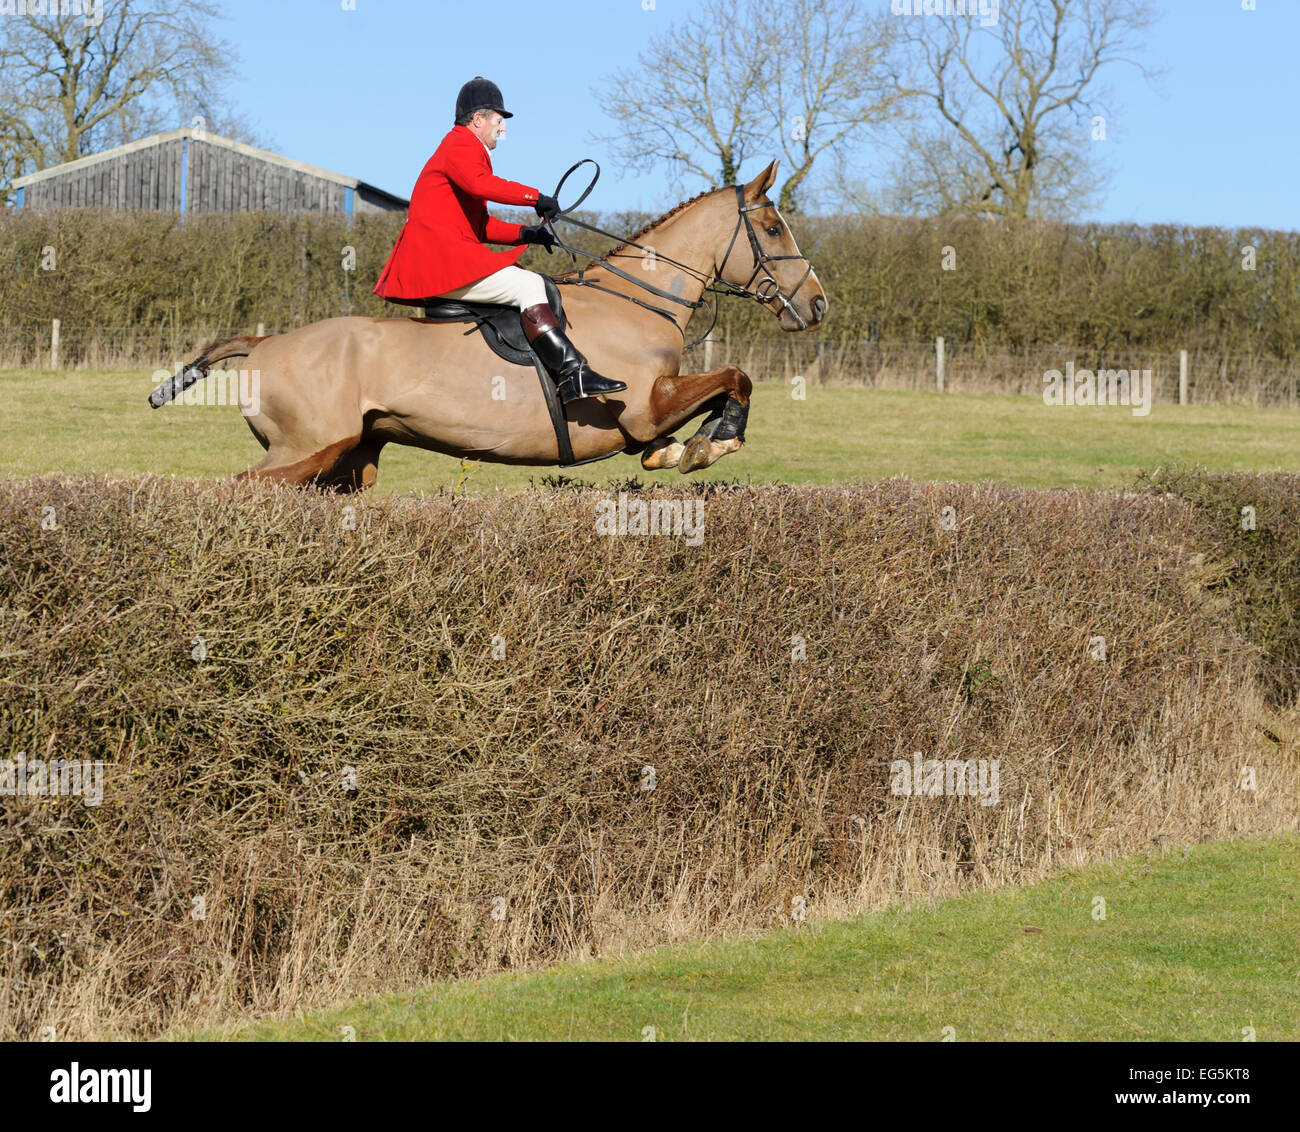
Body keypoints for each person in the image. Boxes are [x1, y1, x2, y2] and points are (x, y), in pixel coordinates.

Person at [373, 76, 626, 404]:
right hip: (440, 265)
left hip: (444, 260)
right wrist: (535, 197)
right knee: (529, 286)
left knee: (528, 281)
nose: (503, 129)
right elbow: (482, 185)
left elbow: (480, 227)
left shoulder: (461, 148)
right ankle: (571, 374)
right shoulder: (460, 144)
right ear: (478, 120)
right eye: (498, 120)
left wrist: (526, 233)